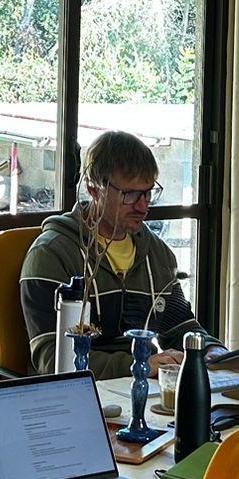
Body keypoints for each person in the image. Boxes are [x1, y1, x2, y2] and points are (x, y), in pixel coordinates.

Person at [20, 129, 207, 379]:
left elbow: (180, 326)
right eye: (130, 195)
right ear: (94, 188)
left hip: (141, 390)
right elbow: (53, 357)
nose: (143, 206)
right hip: (74, 397)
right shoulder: (51, 254)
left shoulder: (158, 254)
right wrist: (139, 365)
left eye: (148, 192)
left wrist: (212, 351)